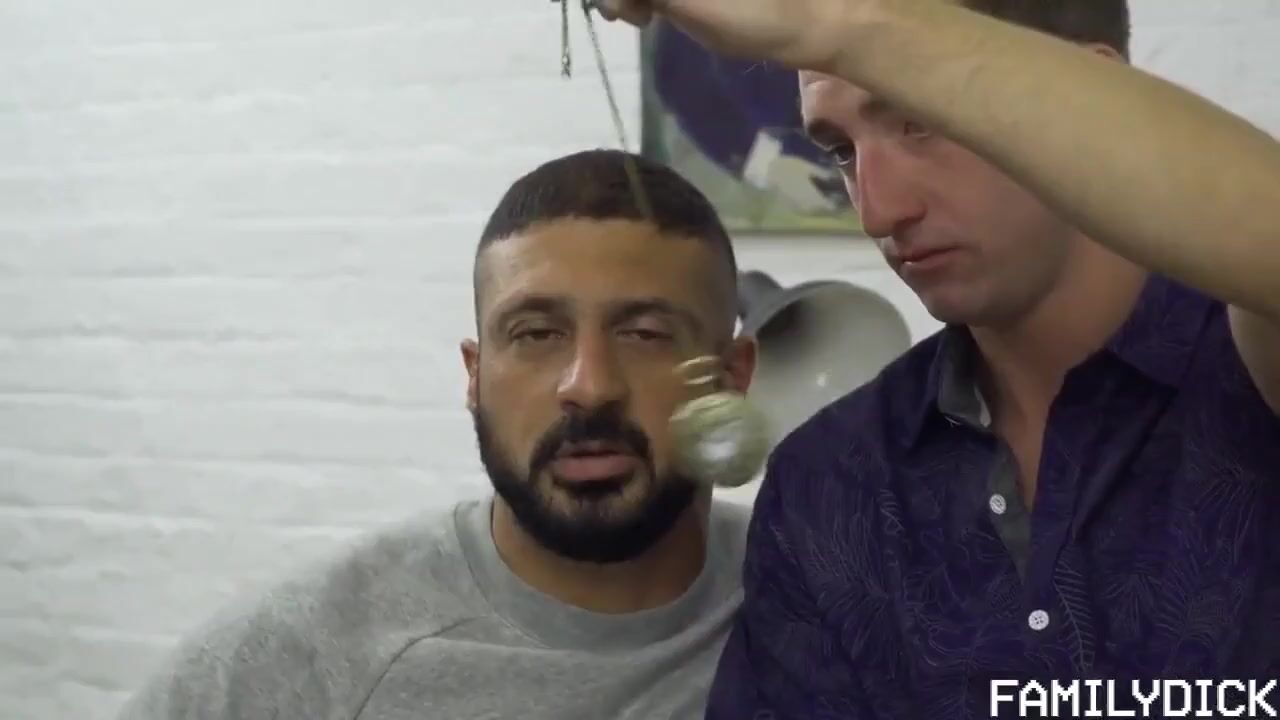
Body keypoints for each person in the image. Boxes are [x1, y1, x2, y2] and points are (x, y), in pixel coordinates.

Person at [597, 0, 1280, 717]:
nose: (878, 211)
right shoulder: (830, 484)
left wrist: (839, 24)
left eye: (920, 120)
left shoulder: (1247, 368)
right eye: (841, 150)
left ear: (1092, 101)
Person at [113, 148, 758, 720]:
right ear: (475, 376)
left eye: (645, 334)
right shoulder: (308, 665)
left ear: (732, 377)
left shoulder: (804, 591)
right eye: (536, 334)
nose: (588, 386)